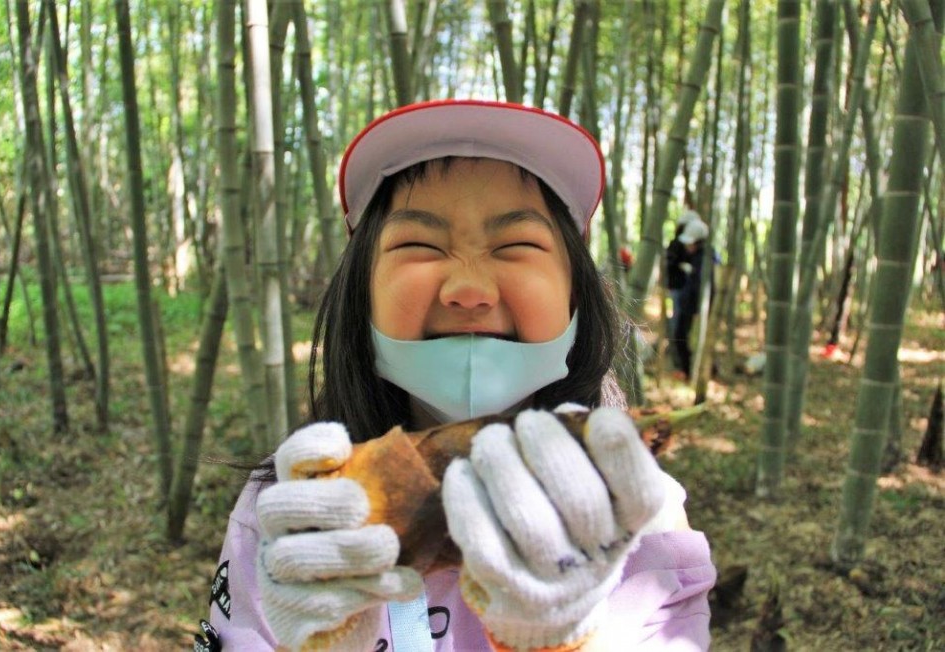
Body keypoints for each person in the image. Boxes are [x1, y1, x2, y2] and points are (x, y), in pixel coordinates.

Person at [199, 100, 716, 652]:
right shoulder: (292, 514)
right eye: (419, 246)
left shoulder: (645, 519)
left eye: (517, 246)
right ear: (361, 294)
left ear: (575, 295)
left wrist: (564, 640)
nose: (469, 289)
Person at [665, 211, 709, 381]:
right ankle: (683, 367)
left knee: (686, 335)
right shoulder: (678, 245)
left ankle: (690, 371)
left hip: (692, 302)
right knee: (679, 331)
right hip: (683, 296)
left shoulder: (703, 256)